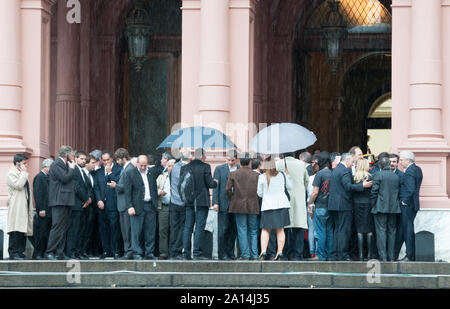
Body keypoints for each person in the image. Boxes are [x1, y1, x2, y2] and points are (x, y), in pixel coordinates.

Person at [328, 153, 372, 261]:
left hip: (334, 205)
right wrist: (362, 185)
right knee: (344, 230)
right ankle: (343, 254)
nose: (353, 164)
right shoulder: (344, 171)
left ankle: (336, 254)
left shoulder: (336, 169)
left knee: (337, 230)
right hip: (343, 205)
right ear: (347, 160)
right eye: (352, 162)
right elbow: (348, 187)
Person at [180, 148, 218, 260]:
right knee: (199, 227)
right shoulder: (205, 167)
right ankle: (196, 252)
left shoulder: (185, 167)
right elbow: (210, 184)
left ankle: (186, 252)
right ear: (202, 156)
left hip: (189, 201)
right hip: (202, 202)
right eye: (205, 156)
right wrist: (215, 182)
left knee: (188, 227)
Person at [226, 152, 260, 260]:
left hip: (238, 205)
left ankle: (245, 254)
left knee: (242, 229)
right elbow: (260, 192)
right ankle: (254, 254)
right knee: (253, 230)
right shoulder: (256, 175)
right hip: (253, 204)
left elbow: (227, 189)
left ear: (239, 162)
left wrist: (233, 197)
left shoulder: (234, 174)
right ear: (250, 162)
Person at [276, 152, 309, 261]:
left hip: (283, 198)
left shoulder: (278, 164)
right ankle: (297, 254)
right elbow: (306, 181)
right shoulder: (301, 164)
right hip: (299, 198)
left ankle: (284, 252)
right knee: (298, 226)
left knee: (284, 227)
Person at [257, 158, 292, 261]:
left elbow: (259, 193)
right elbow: (289, 187)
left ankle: (263, 251)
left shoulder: (262, 177)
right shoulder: (282, 174)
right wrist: (288, 175)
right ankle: (280, 252)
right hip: (282, 204)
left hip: (267, 205)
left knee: (265, 229)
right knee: (280, 229)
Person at [45, 146, 76, 260]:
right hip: (59, 200)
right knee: (57, 226)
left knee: (63, 228)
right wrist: (72, 168)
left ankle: (60, 252)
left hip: (66, 200)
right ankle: (50, 251)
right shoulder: (57, 163)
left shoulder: (65, 164)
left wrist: (71, 168)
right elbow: (64, 178)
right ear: (66, 155)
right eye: (72, 155)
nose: (73, 158)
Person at [126, 155, 157, 260]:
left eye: (145, 165)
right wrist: (129, 206)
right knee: (136, 231)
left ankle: (149, 252)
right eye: (141, 165)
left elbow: (153, 188)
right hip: (137, 206)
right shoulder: (130, 173)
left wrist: (155, 203)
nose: (143, 167)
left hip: (150, 205)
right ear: (137, 164)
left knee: (150, 231)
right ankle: (137, 252)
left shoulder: (151, 172)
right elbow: (127, 192)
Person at [370, 157, 401, 261]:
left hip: (380, 207)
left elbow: (374, 192)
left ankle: (383, 257)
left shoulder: (378, 175)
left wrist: (373, 204)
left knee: (381, 232)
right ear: (389, 165)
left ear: (380, 166)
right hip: (393, 208)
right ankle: (391, 257)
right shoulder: (396, 176)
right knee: (392, 231)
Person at [212, 149, 239, 260]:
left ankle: (230, 252)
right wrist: (215, 202)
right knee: (223, 230)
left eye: (233, 160)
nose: (231, 162)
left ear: (236, 159)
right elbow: (215, 187)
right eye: (229, 160)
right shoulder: (219, 169)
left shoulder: (239, 169)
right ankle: (222, 253)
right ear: (226, 159)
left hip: (236, 204)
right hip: (223, 203)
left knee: (233, 230)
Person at [6, 154, 34, 260]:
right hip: (16, 205)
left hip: (24, 205)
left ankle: (20, 251)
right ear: (17, 163)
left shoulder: (22, 173)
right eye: (24, 163)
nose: (26, 165)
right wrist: (23, 173)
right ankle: (13, 252)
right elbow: (18, 185)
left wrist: (23, 173)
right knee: (15, 228)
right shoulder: (11, 173)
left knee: (22, 228)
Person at [94, 151, 122, 259]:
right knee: (103, 228)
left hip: (113, 204)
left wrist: (110, 173)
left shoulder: (118, 169)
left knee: (114, 228)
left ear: (112, 159)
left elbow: (118, 184)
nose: (106, 162)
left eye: (107, 160)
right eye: (104, 160)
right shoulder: (99, 171)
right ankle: (106, 251)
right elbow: (96, 186)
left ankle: (116, 251)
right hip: (101, 204)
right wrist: (98, 200)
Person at [109, 148, 135, 260]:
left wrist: (116, 186)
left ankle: (129, 251)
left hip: (125, 204)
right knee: (124, 230)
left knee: (127, 230)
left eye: (118, 160)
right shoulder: (126, 168)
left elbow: (127, 187)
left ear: (123, 158)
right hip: (122, 204)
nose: (117, 162)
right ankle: (127, 251)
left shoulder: (129, 169)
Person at [307, 152, 333, 261]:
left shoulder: (319, 174)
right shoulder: (333, 173)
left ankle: (321, 255)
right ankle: (329, 254)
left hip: (320, 206)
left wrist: (309, 204)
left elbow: (314, 192)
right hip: (331, 206)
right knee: (330, 231)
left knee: (320, 231)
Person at [66, 151, 92, 259]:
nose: (84, 161)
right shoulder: (73, 169)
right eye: (81, 158)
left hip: (84, 205)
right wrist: (86, 199)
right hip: (76, 205)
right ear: (76, 159)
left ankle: (78, 251)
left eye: (85, 159)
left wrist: (88, 199)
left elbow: (88, 187)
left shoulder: (83, 171)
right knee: (74, 230)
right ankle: (71, 252)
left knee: (81, 230)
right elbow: (76, 187)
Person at [398, 151, 423, 261]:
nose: (400, 162)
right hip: (413, 204)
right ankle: (409, 254)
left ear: (408, 160)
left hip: (408, 205)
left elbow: (410, 189)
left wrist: (404, 201)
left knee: (407, 229)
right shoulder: (417, 169)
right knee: (407, 228)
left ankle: (409, 255)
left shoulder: (410, 171)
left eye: (401, 160)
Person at [169, 150, 192, 260]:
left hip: (173, 201)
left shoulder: (174, 167)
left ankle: (172, 251)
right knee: (183, 228)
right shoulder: (187, 169)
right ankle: (177, 250)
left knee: (174, 227)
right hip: (183, 202)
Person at [353, 158, 375, 261]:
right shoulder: (371, 176)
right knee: (369, 230)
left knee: (359, 230)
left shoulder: (354, 177)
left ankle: (361, 255)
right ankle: (369, 254)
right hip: (368, 204)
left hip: (356, 204)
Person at [32, 158, 53, 260]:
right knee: (41, 233)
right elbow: (38, 194)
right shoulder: (39, 177)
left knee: (46, 233)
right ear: (45, 167)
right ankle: (38, 253)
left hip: (49, 210)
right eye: (51, 168)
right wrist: (40, 209)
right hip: (43, 210)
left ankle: (43, 252)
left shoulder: (47, 177)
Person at [156, 159, 176, 260]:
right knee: (162, 230)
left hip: (175, 207)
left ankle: (173, 252)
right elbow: (154, 188)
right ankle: (163, 252)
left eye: (173, 166)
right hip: (163, 206)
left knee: (174, 229)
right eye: (169, 166)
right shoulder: (161, 177)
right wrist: (159, 191)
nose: (171, 168)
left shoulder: (178, 178)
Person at [79, 155, 97, 259]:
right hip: (83, 205)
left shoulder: (92, 175)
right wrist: (86, 199)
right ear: (87, 163)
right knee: (82, 229)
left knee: (88, 230)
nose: (95, 165)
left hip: (91, 207)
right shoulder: (82, 173)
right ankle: (80, 250)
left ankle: (84, 250)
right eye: (93, 163)